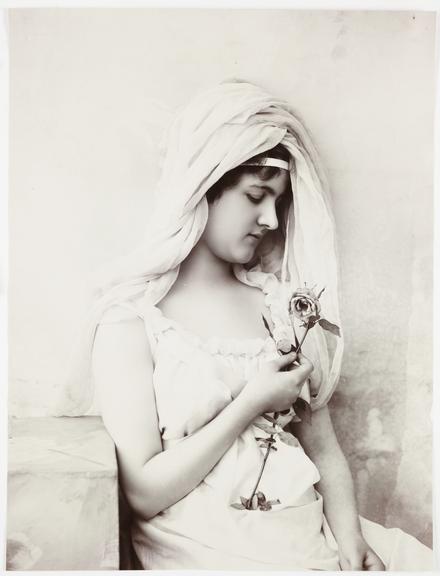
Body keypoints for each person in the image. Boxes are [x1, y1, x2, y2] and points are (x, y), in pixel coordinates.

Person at [80, 81, 432, 570]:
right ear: (204, 189)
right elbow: (142, 494)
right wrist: (251, 402)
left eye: (279, 202)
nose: (270, 219)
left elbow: (323, 447)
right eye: (256, 195)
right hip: (207, 546)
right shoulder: (131, 322)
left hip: (307, 528)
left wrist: (350, 538)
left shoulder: (279, 306)